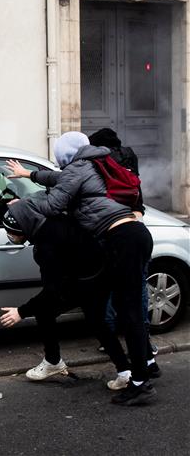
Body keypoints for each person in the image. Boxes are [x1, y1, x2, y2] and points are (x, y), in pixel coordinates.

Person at [6, 131, 156, 405]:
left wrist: (22, 207)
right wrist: (28, 174)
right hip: (127, 237)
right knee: (120, 309)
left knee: (131, 313)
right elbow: (56, 179)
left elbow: (53, 203)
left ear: (65, 155)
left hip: (123, 239)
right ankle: (139, 371)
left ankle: (140, 382)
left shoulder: (78, 169)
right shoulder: (89, 164)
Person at [0, 207, 131, 384]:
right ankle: (124, 372)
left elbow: (52, 291)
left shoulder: (46, 246)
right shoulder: (49, 223)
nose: (10, 236)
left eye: (11, 232)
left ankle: (53, 361)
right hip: (97, 273)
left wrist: (21, 312)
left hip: (84, 281)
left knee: (47, 311)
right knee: (98, 324)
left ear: (24, 229)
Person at [88, 128, 158, 362]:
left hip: (112, 232)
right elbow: (138, 199)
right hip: (136, 229)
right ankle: (145, 343)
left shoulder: (101, 164)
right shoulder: (127, 160)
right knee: (138, 288)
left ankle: (112, 337)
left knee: (109, 287)